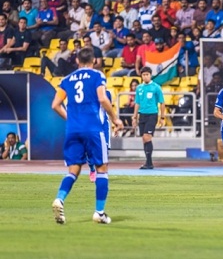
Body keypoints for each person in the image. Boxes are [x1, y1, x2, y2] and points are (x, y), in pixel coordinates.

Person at [51, 47, 123, 225]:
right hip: (93, 129)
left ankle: (59, 199)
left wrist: (72, 119)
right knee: (102, 169)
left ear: (77, 61)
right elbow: (102, 98)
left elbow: (55, 105)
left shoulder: (67, 79)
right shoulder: (97, 75)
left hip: (73, 130)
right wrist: (115, 118)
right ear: (94, 61)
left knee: (73, 170)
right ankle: (99, 212)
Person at [132, 66, 165, 169]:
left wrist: (162, 117)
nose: (145, 77)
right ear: (141, 76)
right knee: (144, 139)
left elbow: (162, 102)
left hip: (152, 114)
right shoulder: (139, 88)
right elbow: (137, 103)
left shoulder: (156, 87)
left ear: (150, 75)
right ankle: (148, 162)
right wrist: (134, 116)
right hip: (142, 115)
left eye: (147, 74)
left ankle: (149, 163)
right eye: (143, 75)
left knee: (147, 137)